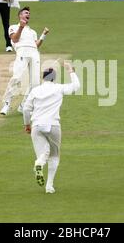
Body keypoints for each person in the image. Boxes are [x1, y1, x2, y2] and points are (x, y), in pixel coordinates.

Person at [22, 62, 80, 194]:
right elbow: (76, 86)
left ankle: (40, 163)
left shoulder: (35, 91)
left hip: (36, 125)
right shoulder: (58, 88)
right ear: (54, 78)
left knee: (43, 154)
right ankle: (49, 186)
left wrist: (27, 125)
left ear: (43, 78)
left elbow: (26, 109)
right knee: (54, 156)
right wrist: (70, 70)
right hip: (53, 125)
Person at [0, 6, 49, 115]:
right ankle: (7, 104)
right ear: (20, 15)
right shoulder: (13, 27)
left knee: (35, 83)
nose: (28, 15)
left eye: (29, 14)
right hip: (22, 52)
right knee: (17, 78)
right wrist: (21, 28)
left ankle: (24, 105)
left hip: (34, 54)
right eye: (26, 13)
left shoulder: (32, 31)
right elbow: (15, 39)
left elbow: (36, 45)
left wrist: (43, 35)